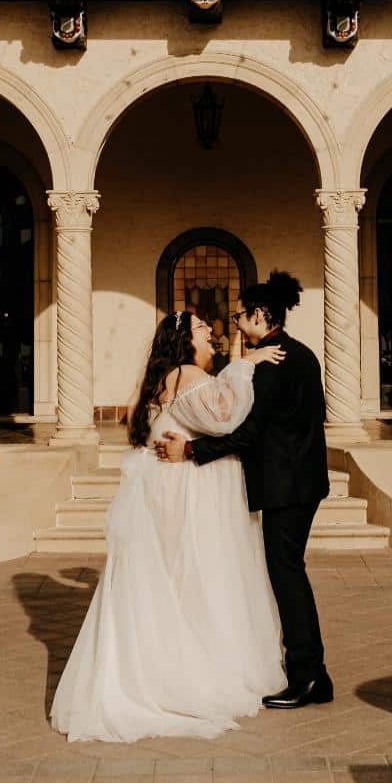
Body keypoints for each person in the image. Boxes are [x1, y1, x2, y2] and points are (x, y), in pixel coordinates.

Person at [49, 311, 289, 742]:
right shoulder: (186, 373)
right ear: (183, 340)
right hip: (184, 495)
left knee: (177, 579)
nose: (210, 335)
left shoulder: (170, 377)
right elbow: (225, 418)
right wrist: (244, 365)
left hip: (172, 491)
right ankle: (188, 671)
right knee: (194, 576)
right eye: (201, 329)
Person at [155, 271, 334, 710]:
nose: (234, 324)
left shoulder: (272, 363)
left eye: (239, 316)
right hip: (301, 482)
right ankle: (314, 675)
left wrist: (192, 451)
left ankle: (308, 676)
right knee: (289, 571)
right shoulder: (301, 354)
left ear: (259, 315)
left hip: (286, 487)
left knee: (286, 575)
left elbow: (246, 432)